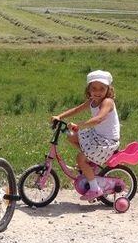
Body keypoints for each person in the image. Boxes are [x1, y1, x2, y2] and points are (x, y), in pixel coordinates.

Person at [51, 70, 120, 201]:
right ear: (89, 89)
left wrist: (79, 125)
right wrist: (60, 116)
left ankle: (95, 189)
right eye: (94, 88)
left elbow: (99, 118)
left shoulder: (108, 102)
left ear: (108, 89)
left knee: (80, 159)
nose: (97, 92)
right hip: (97, 136)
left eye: (102, 88)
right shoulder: (92, 100)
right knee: (71, 136)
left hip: (107, 141)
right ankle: (91, 160)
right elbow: (77, 109)